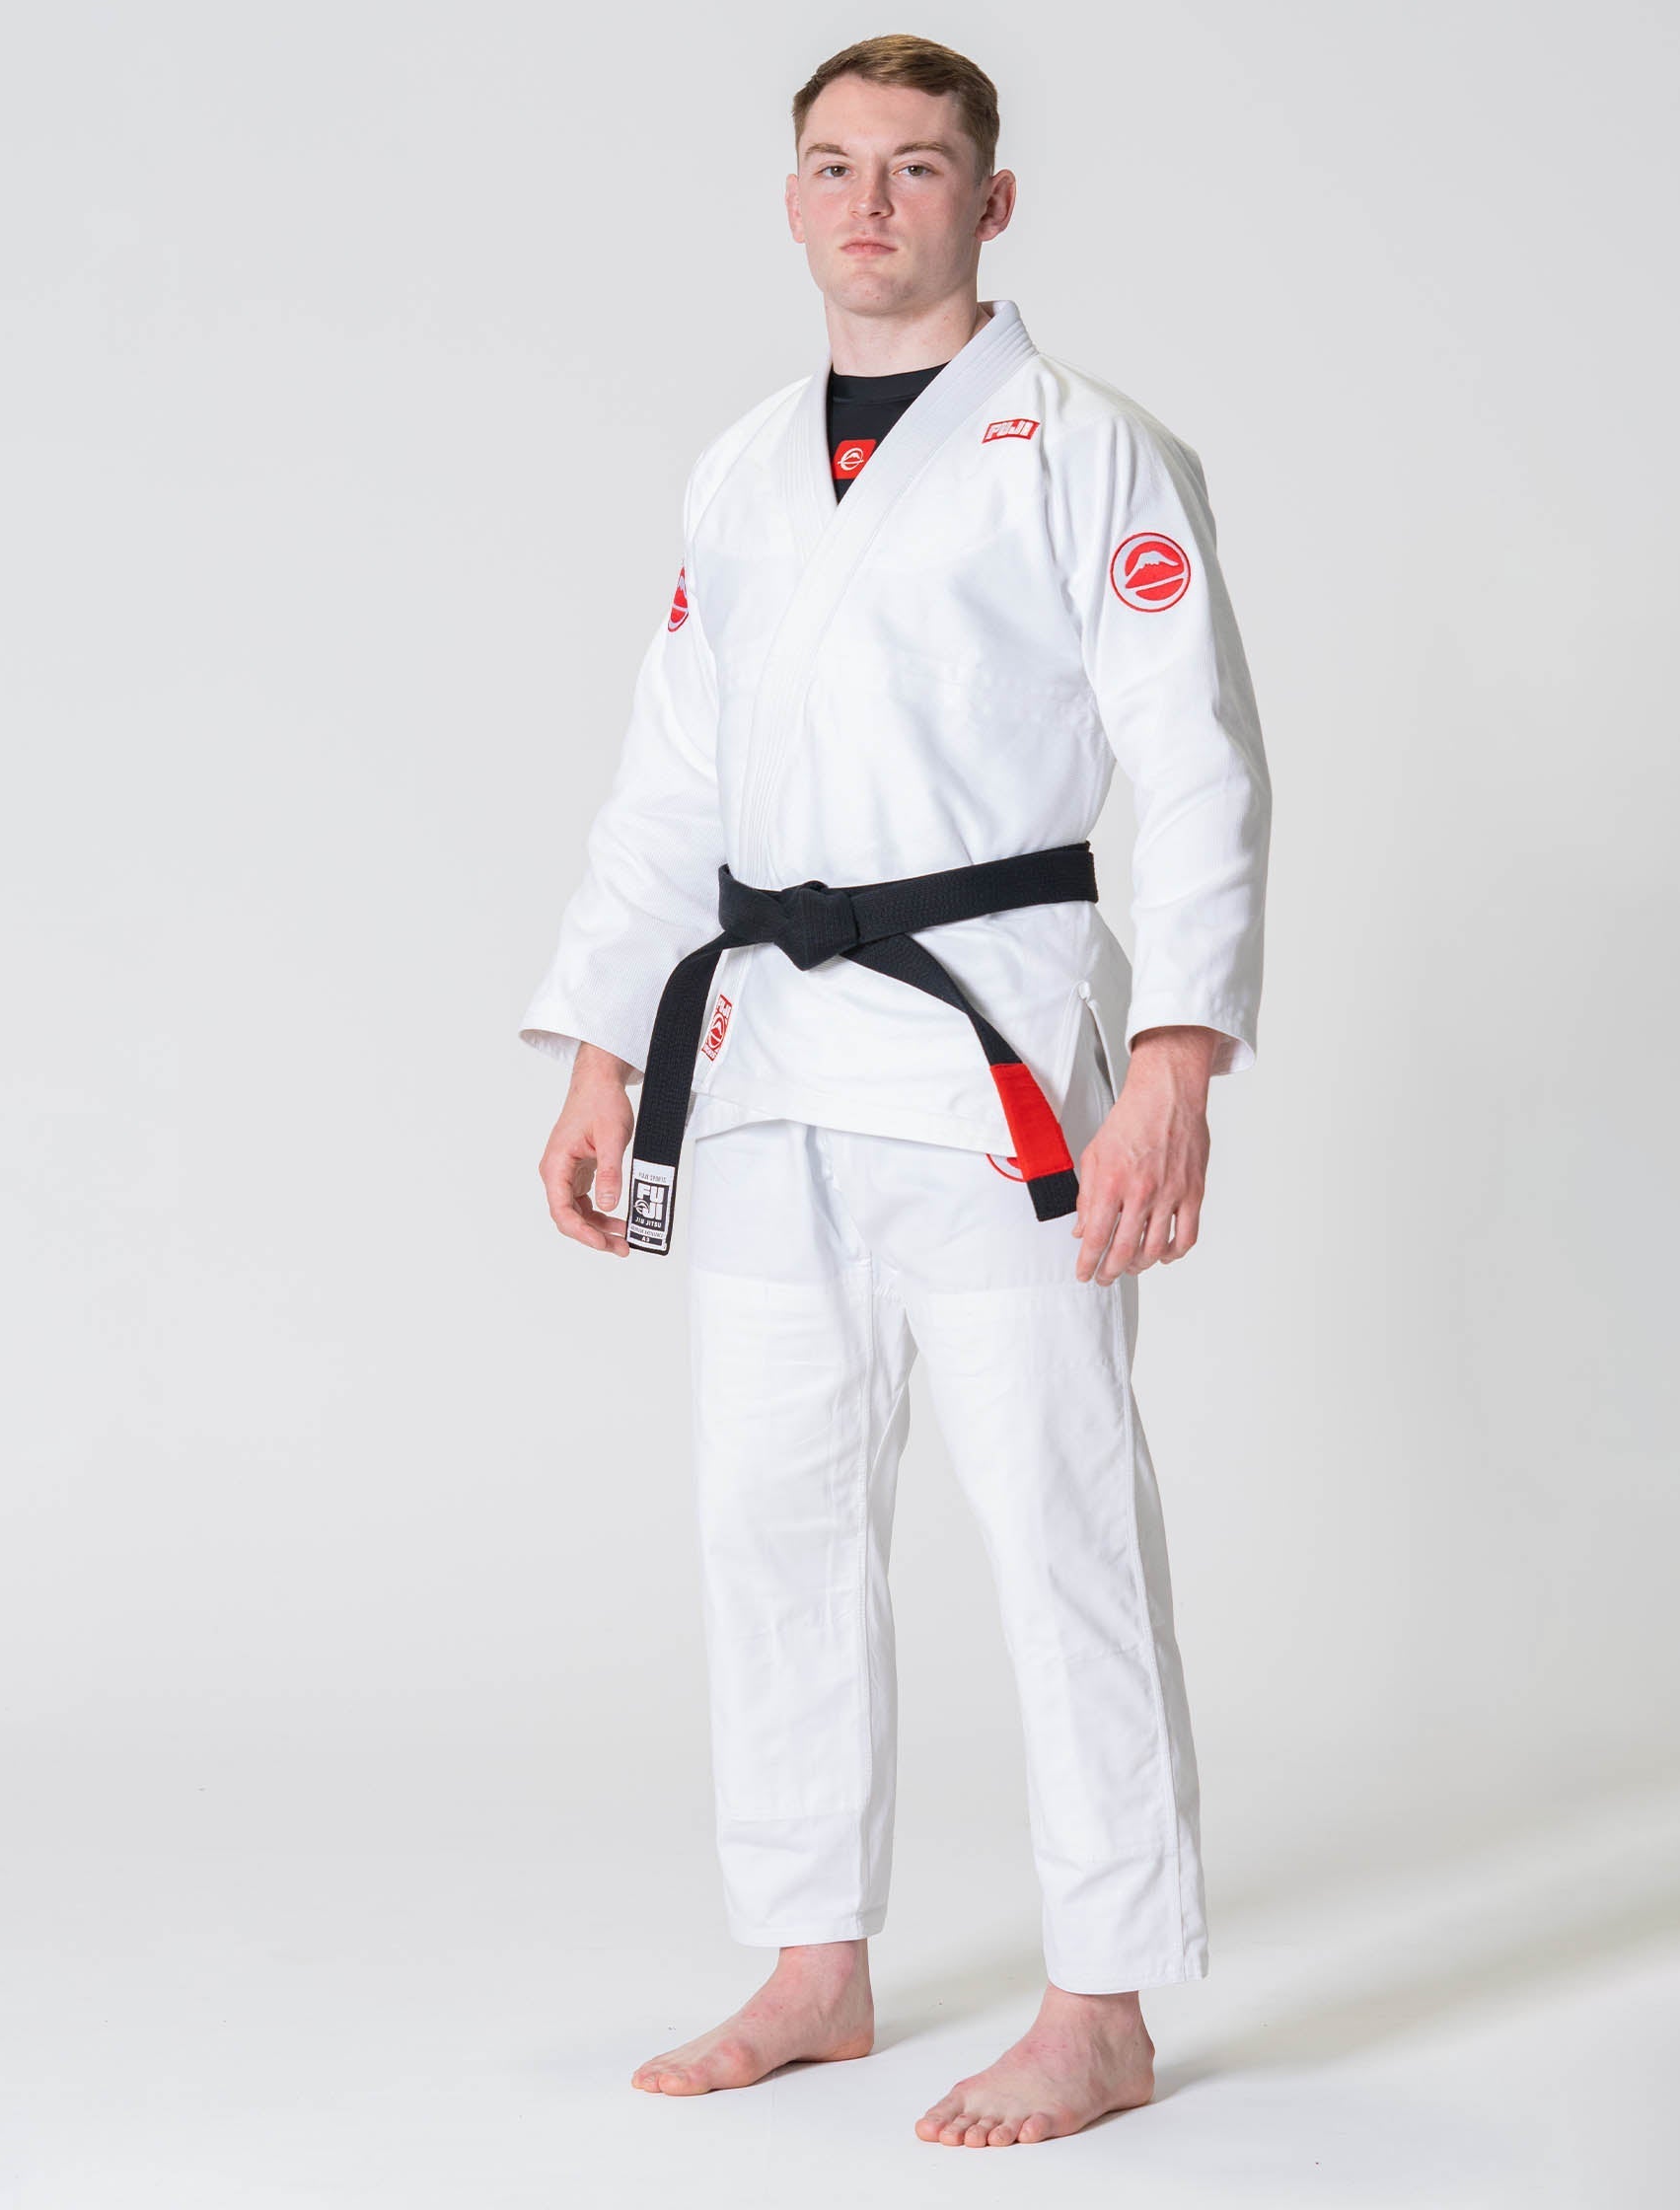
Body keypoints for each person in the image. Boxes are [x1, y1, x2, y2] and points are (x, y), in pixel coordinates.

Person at [519, 34, 1270, 2150]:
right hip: (763, 1057)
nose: (872, 202)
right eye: (835, 165)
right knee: (768, 1516)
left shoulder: (1089, 451)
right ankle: (811, 1963)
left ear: (990, 202)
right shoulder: (743, 469)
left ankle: (1103, 1999)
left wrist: (1180, 1059)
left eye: (918, 166)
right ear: (791, 201)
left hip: (994, 1051)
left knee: (1059, 1521)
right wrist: (601, 1048)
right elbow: (671, 781)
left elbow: (1198, 761)